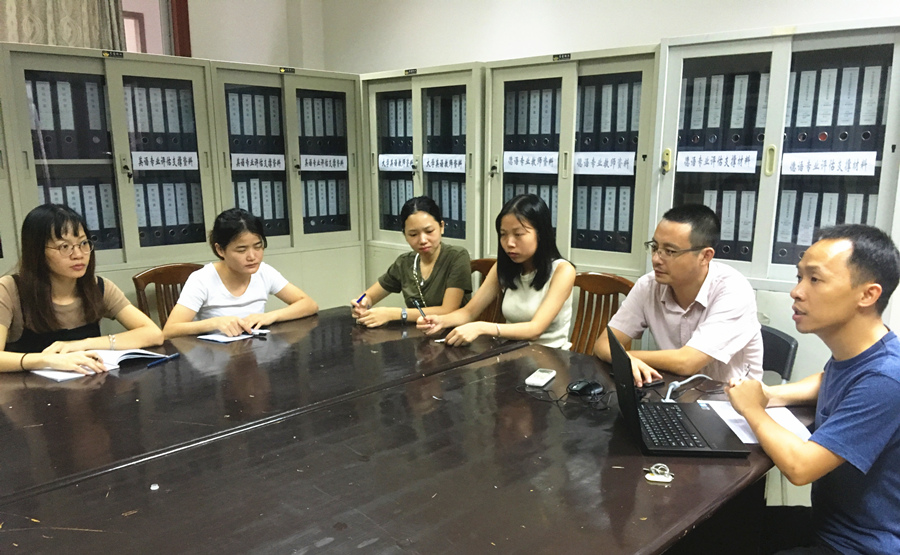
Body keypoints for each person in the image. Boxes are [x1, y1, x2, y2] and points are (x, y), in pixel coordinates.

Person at [727, 224, 900, 555]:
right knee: (718, 529)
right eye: (799, 277)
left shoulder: (887, 378)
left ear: (868, 295)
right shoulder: (862, 354)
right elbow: (828, 379)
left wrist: (752, 408)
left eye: (815, 279)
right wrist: (772, 394)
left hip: (863, 546)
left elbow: (800, 467)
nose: (797, 292)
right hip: (830, 525)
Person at [593, 203, 762, 386]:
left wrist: (625, 357)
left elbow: (687, 362)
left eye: (670, 252)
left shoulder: (733, 290)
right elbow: (603, 344)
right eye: (655, 247)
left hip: (726, 400)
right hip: (672, 394)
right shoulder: (648, 285)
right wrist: (625, 359)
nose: (656, 259)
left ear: (705, 256)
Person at [0, 204, 163, 374]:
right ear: (37, 252)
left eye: (83, 243)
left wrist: (83, 344)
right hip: (29, 388)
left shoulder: (97, 286)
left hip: (89, 384)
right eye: (64, 246)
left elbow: (153, 334)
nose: (78, 254)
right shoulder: (9, 290)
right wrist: (45, 360)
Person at [418, 194, 575, 349]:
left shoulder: (563, 271)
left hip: (551, 357)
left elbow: (535, 329)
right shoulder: (503, 266)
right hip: (514, 353)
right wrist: (441, 321)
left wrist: (481, 327)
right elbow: (469, 312)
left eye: (518, 234)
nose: (509, 243)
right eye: (503, 234)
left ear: (540, 234)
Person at [163, 208, 318, 338]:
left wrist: (271, 316)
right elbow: (170, 330)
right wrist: (214, 323)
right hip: (216, 357)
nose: (252, 256)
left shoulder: (264, 272)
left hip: (254, 351)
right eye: (241, 250)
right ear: (220, 250)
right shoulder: (202, 279)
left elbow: (308, 304)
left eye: (258, 246)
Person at [351, 196, 471, 327]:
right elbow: (370, 295)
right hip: (418, 333)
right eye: (413, 234)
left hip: (453, 333)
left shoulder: (457, 256)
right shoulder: (404, 262)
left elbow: (448, 310)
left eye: (429, 231)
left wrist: (394, 314)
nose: (423, 240)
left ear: (441, 227)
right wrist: (363, 303)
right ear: (405, 235)